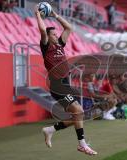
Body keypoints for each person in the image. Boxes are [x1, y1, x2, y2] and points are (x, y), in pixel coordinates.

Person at [35, 5, 97, 155]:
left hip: (65, 84)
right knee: (78, 111)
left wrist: (55, 15)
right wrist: (38, 14)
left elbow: (68, 28)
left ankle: (51, 129)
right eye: (54, 34)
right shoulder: (46, 46)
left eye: (57, 34)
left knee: (78, 115)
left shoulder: (60, 45)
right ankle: (82, 144)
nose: (56, 36)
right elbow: (43, 31)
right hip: (57, 85)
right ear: (48, 37)